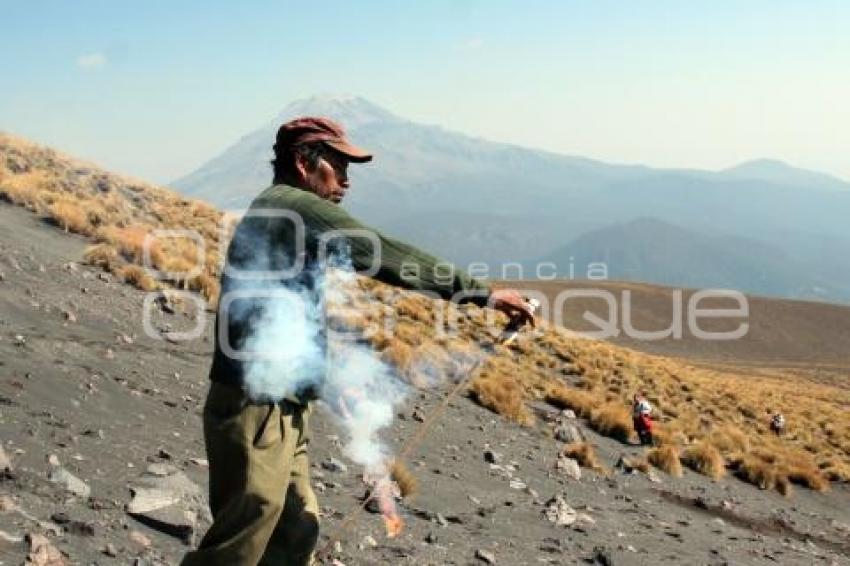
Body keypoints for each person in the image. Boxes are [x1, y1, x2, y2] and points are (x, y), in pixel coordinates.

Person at [181, 117, 534, 566]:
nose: (346, 180)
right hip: (257, 405)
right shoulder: (292, 205)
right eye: (338, 165)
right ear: (302, 163)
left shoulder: (286, 214)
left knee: (293, 531)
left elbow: (284, 315)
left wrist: (324, 379)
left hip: (284, 402)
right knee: (245, 536)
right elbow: (377, 251)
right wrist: (479, 292)